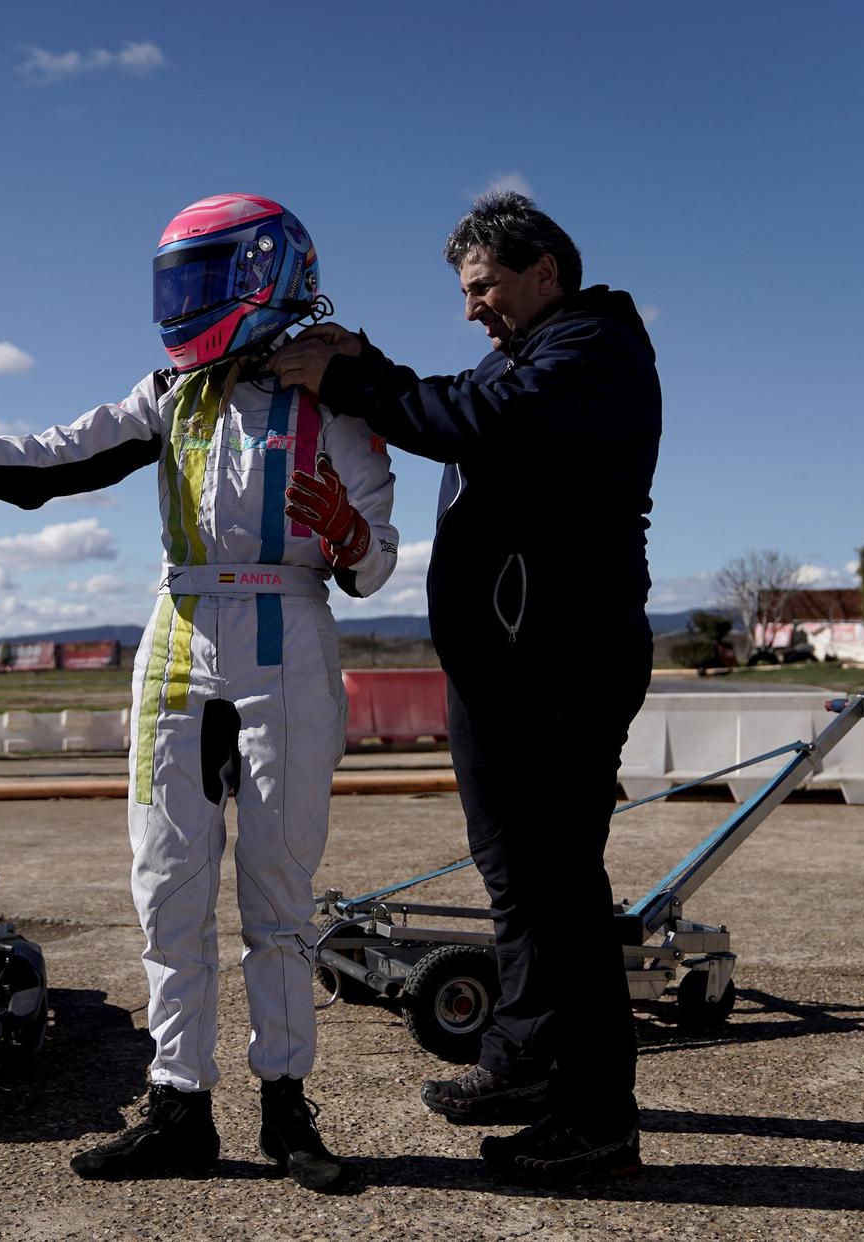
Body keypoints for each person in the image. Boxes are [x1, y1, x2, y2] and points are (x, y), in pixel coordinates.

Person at [0, 193, 398, 1191]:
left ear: (266, 274)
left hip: (290, 639)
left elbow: (377, 566)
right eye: (177, 281)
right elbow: (44, 462)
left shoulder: (341, 401)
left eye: (204, 280)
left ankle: (285, 1111)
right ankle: (178, 1107)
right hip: (175, 641)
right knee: (166, 893)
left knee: (278, 895)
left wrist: (347, 533)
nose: (184, 304)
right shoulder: (167, 396)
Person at [269, 190, 660, 1186]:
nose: (470, 308)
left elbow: (466, 418)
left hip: (561, 665)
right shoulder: (520, 354)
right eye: (464, 291)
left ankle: (597, 1119)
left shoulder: (595, 352)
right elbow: (451, 397)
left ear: (544, 273)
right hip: (496, 668)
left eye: (482, 287)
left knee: (562, 893)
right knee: (514, 879)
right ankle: (522, 1063)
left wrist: (359, 374)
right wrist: (370, 373)